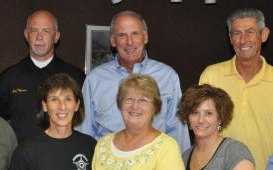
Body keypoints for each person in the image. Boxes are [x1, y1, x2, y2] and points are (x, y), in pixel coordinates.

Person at [199, 8, 273, 170]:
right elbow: (200, 131)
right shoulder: (211, 76)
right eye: (237, 33)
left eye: (250, 32)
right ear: (230, 38)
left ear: (264, 35)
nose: (243, 40)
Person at [77, 10, 190, 152]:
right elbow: (84, 134)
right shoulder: (94, 80)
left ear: (145, 37)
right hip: (108, 167)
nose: (129, 42)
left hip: (155, 168)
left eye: (135, 34)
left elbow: (178, 133)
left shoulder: (168, 76)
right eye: (122, 35)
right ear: (112, 40)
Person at [0, 10, 85, 143]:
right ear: (26, 35)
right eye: (33, 30)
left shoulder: (76, 77)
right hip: (20, 158)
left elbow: (83, 122)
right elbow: (1, 124)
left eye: (46, 31)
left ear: (56, 36)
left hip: (62, 157)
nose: (39, 37)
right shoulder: (8, 77)